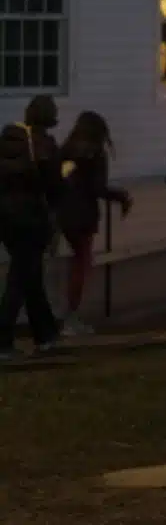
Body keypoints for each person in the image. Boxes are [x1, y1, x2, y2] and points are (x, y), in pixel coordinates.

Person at [57, 110, 133, 336]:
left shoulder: (66, 150)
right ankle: (71, 317)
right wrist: (121, 197)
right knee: (82, 264)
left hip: (64, 213)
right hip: (84, 215)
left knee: (75, 262)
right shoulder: (95, 153)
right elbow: (97, 188)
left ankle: (65, 314)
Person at [0, 94, 63, 360]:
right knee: (19, 280)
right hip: (32, 218)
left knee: (30, 277)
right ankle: (3, 340)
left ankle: (45, 333)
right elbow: (53, 186)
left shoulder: (7, 142)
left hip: (6, 218)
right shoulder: (43, 144)